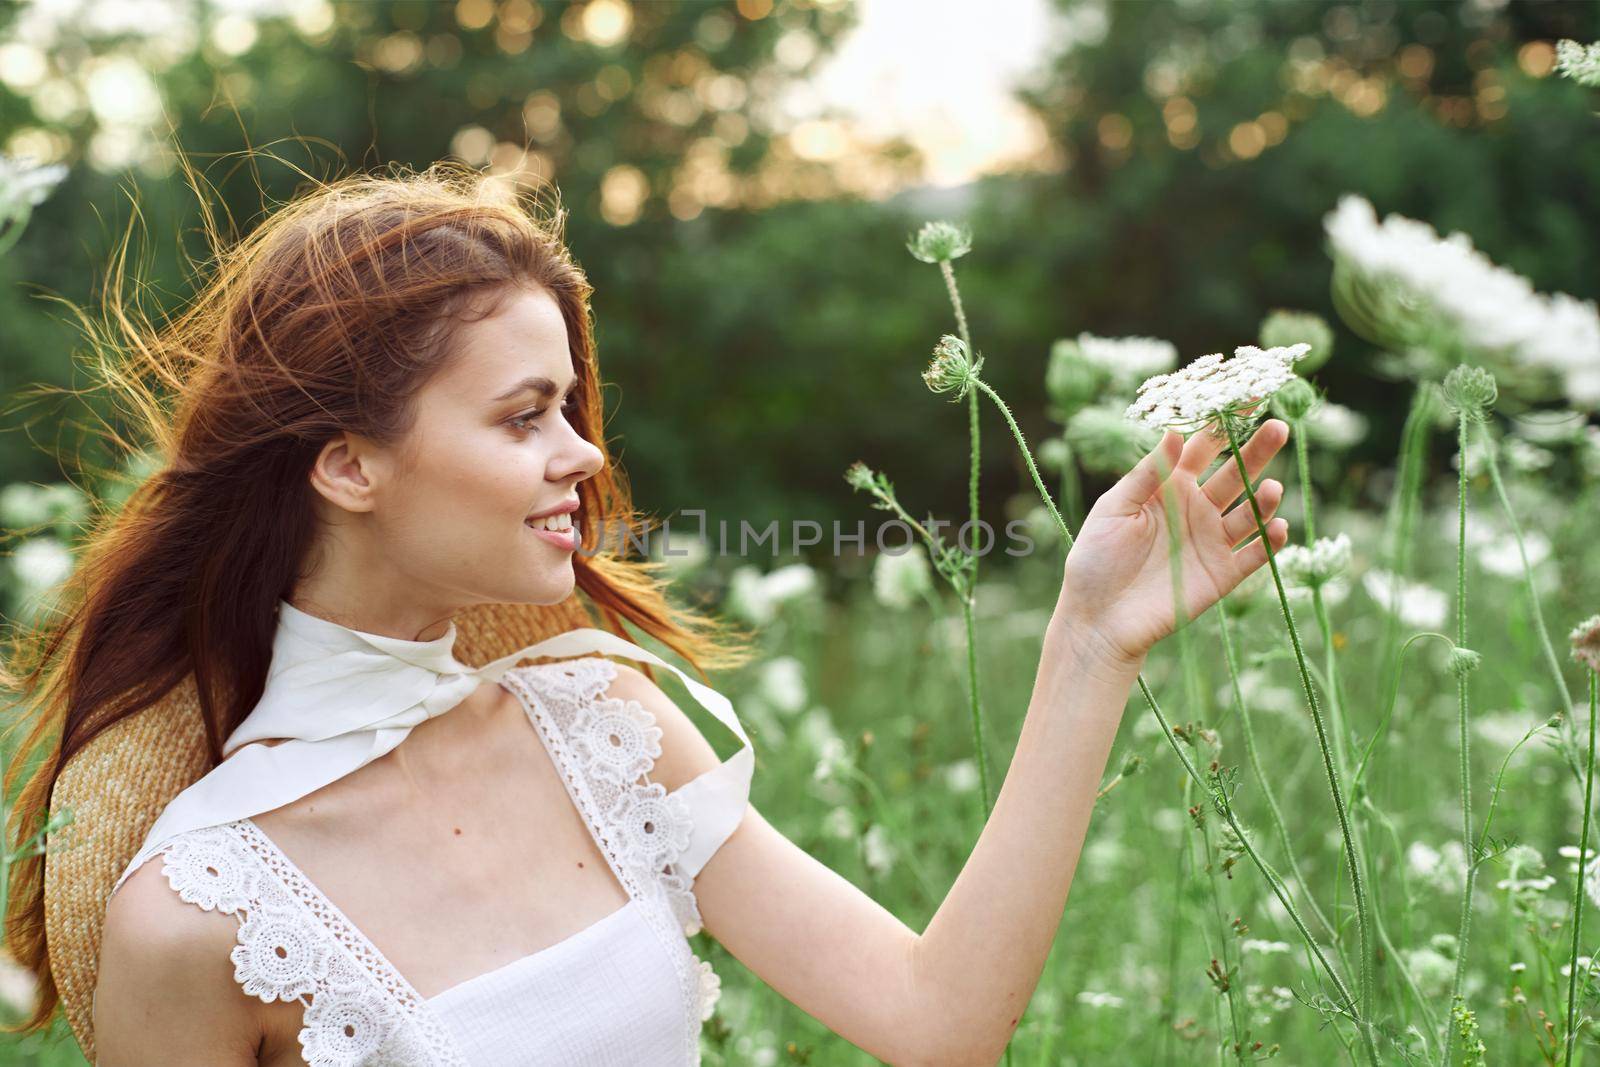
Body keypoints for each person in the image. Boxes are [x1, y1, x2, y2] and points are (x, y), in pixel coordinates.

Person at [3, 164, 1289, 1066]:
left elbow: (937, 1020)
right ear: (348, 464)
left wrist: (1089, 639)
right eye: (522, 417)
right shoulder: (196, 913)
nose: (581, 456)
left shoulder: (600, 723)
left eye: (569, 407)